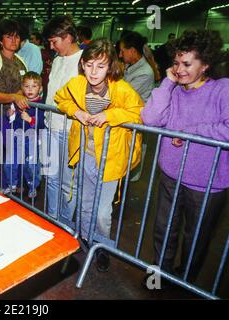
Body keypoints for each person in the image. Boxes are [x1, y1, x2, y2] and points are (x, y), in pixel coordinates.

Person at [141, 29, 229, 282]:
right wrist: (167, 82)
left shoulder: (223, 89)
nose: (179, 69)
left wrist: (190, 132)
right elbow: (150, 118)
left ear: (206, 65)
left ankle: (186, 281)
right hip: (170, 174)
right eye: (176, 62)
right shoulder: (174, 89)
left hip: (207, 184)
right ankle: (160, 274)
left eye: (187, 64)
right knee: (163, 230)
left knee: (196, 237)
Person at [55, 38, 143, 272]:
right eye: (90, 64)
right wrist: (76, 112)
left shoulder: (121, 89)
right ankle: (86, 239)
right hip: (85, 154)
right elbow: (60, 99)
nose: (94, 71)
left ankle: (102, 246)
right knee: (84, 203)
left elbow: (140, 113)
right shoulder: (76, 84)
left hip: (111, 159)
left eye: (101, 66)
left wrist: (110, 116)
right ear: (82, 64)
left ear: (110, 66)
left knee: (103, 212)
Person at [41, 15, 83, 220]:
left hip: (70, 130)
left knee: (68, 183)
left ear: (67, 37)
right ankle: (52, 219)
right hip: (51, 126)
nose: (51, 46)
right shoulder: (57, 61)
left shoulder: (85, 62)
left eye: (54, 42)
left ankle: (65, 224)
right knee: (51, 177)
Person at [0, 19, 28, 190]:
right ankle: (4, 187)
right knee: (5, 154)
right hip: (1, 117)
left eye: (17, 37)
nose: (14, 40)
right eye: (9, 37)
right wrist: (15, 97)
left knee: (16, 152)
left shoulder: (20, 60)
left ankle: (16, 184)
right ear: (1, 40)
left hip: (19, 116)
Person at [119, 31, 156, 182]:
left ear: (132, 51)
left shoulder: (144, 72)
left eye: (122, 51)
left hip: (135, 120)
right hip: (126, 117)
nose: (120, 55)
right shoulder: (130, 66)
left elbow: (122, 95)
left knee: (130, 158)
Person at [3, 71, 44, 198]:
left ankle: (33, 186)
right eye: (27, 86)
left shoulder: (41, 105)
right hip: (17, 137)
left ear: (40, 88)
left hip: (32, 139)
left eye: (34, 86)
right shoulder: (18, 102)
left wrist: (30, 120)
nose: (30, 89)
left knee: (30, 165)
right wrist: (9, 114)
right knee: (10, 162)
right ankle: (11, 184)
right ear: (22, 88)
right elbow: (11, 117)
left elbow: (42, 123)